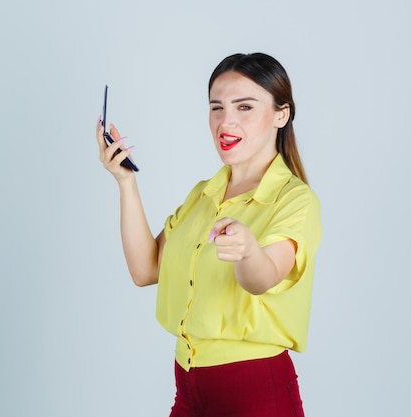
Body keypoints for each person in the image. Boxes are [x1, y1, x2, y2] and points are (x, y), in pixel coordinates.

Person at [95, 52, 322, 417]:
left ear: (282, 114)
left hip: (255, 394)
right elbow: (145, 270)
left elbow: (263, 278)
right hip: (188, 389)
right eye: (217, 108)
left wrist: (249, 252)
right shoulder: (204, 194)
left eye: (244, 107)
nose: (225, 121)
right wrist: (126, 181)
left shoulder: (295, 200)